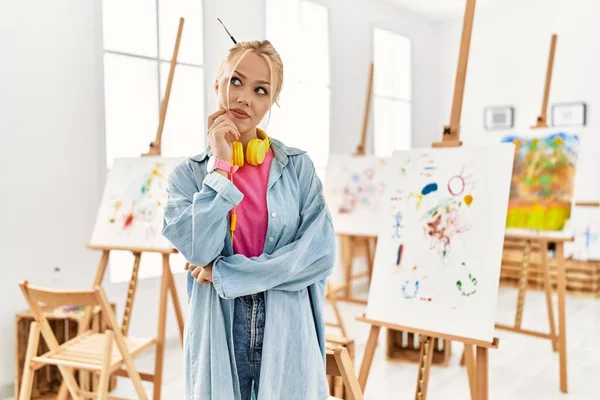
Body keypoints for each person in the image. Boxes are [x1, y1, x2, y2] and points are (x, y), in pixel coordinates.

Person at [162, 39, 336, 400]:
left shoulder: (298, 168)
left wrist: (227, 274)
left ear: (272, 101)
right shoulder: (188, 177)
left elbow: (319, 255)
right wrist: (222, 166)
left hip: (288, 323)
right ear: (217, 84)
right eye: (236, 82)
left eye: (261, 90)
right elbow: (199, 249)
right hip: (220, 324)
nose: (244, 98)